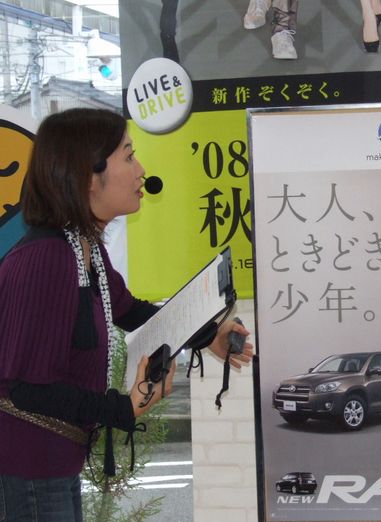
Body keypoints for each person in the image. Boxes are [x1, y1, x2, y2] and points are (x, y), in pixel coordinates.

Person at [0, 108, 254, 521]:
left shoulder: (82, 248)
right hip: (30, 467)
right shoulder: (46, 259)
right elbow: (27, 389)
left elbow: (132, 311)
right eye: (129, 156)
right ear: (87, 175)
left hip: (53, 461)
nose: (141, 170)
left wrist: (210, 334)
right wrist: (122, 408)